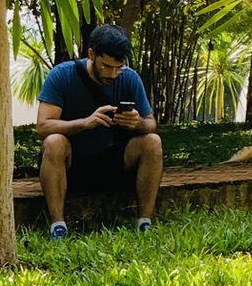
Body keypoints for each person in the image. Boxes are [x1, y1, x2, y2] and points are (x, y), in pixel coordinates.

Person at [36, 24, 162, 238]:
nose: (112, 74)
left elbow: (151, 124)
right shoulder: (61, 76)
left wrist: (137, 122)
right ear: (92, 54)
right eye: (106, 66)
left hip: (114, 162)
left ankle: (145, 221)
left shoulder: (130, 78)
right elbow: (43, 127)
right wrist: (85, 123)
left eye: (118, 67)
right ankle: (58, 225)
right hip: (71, 164)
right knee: (53, 141)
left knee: (153, 141)